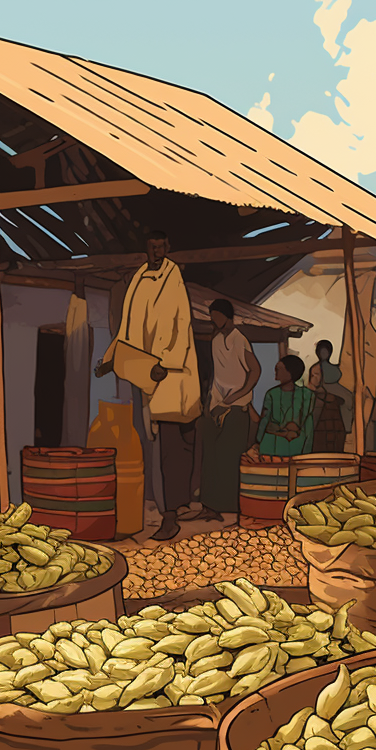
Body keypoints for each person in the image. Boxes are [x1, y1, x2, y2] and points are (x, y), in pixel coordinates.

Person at [95, 230, 201, 541]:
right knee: (149, 446)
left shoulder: (173, 278)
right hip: (143, 372)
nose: (156, 251)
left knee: (170, 448)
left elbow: (179, 325)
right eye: (151, 247)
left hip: (171, 375)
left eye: (161, 246)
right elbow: (127, 327)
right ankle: (155, 511)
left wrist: (164, 363)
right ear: (146, 248)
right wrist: (110, 358)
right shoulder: (139, 279)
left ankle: (170, 517)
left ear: (168, 247)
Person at [198, 300, 261, 521]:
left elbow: (255, 370)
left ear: (227, 316)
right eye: (212, 316)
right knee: (210, 458)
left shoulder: (239, 339)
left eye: (217, 315)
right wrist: (209, 402)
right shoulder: (215, 341)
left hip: (236, 407)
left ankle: (233, 508)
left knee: (229, 458)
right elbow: (217, 375)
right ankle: (209, 507)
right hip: (216, 405)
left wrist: (239, 393)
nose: (214, 320)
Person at [251, 355, 316, 457]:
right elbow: (265, 420)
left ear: (290, 372)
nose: (276, 371)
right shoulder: (272, 394)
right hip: (272, 444)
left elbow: (308, 424)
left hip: (297, 444)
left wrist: (307, 452)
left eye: (279, 369)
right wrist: (258, 441)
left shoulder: (306, 395)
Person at [309, 340, 352, 453]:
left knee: (348, 399)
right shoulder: (316, 368)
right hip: (322, 389)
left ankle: (347, 426)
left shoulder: (334, 368)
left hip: (336, 389)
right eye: (322, 352)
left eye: (326, 352)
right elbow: (313, 384)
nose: (324, 354)